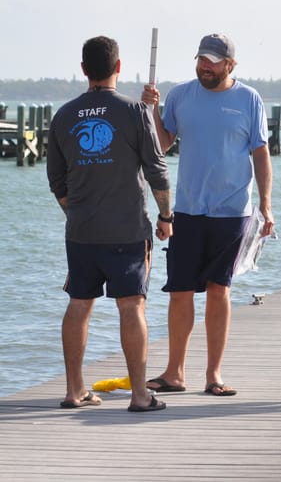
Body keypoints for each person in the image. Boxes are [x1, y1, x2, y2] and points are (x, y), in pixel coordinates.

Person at [141, 33, 275, 397]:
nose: (205, 66)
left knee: (219, 290)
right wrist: (152, 110)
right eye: (201, 58)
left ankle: (213, 374)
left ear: (230, 65)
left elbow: (261, 154)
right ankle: (174, 373)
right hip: (187, 208)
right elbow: (164, 143)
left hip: (232, 211)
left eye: (213, 61)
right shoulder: (181, 95)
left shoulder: (248, 99)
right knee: (180, 291)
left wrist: (266, 204)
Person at [47, 35, 170, 412]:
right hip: (128, 232)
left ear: (84, 69)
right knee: (131, 306)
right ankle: (139, 395)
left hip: (82, 232)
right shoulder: (134, 111)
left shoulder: (64, 115)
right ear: (118, 67)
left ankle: (74, 390)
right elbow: (157, 171)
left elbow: (57, 182)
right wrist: (166, 216)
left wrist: (77, 212)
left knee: (79, 304)